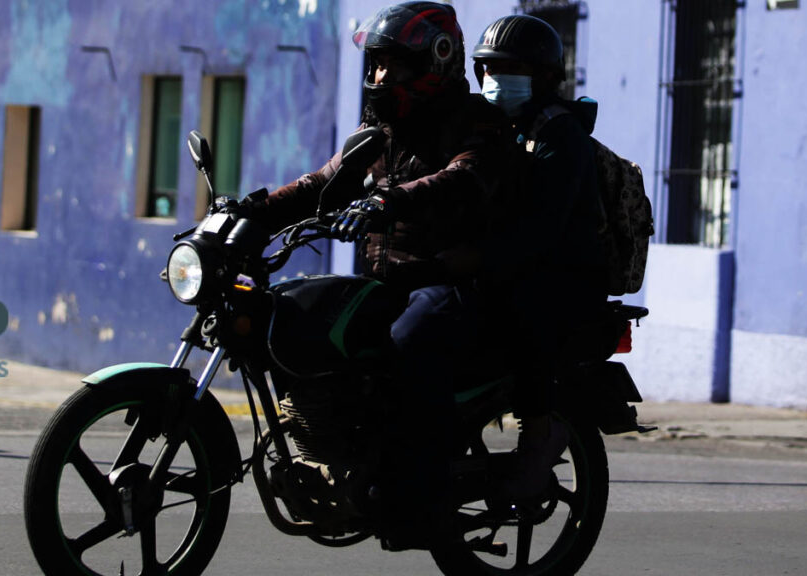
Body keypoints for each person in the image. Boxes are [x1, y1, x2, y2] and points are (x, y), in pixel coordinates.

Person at [250, 1, 508, 550]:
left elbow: (465, 177)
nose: (380, 76)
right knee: (299, 309)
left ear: (436, 60)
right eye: (375, 64)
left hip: (455, 281)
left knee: (412, 339)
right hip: (390, 284)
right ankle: (335, 450)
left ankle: (422, 499)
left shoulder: (475, 120)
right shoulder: (382, 128)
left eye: (393, 64)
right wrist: (252, 213)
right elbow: (326, 181)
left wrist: (390, 201)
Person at [471, 14, 609, 500]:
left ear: (547, 76)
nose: (494, 79)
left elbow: (542, 228)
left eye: (509, 69)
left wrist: (477, 261)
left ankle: (540, 430)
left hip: (564, 272)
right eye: (487, 68)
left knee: (523, 308)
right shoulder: (497, 128)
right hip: (518, 258)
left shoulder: (559, 133)